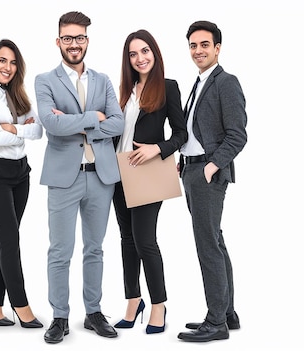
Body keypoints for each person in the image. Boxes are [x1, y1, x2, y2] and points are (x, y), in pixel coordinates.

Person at [34, 10, 125, 344]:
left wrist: (78, 120)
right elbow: (51, 125)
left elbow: (118, 123)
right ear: (59, 41)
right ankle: (60, 317)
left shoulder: (102, 80)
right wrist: (94, 117)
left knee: (95, 249)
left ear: (88, 40)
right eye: (68, 38)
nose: (75, 44)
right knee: (60, 251)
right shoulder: (45, 80)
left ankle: (94, 311)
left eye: (80, 38)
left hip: (101, 176)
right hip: (63, 178)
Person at [176, 20, 247, 343]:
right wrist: (183, 162)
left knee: (207, 245)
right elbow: (193, 131)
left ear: (217, 48)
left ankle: (215, 320)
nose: (198, 50)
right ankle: (227, 313)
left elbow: (237, 135)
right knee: (215, 240)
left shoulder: (225, 82)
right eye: (193, 45)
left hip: (208, 172)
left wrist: (211, 165)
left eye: (204, 44)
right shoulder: (199, 82)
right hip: (191, 170)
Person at [111, 29, 187, 335]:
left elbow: (181, 134)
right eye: (133, 54)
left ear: (154, 53)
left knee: (145, 240)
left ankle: (158, 305)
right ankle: (133, 301)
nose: (140, 58)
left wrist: (158, 148)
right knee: (127, 240)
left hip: (147, 172)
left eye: (145, 51)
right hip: (117, 173)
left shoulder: (168, 88)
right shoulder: (123, 91)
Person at [0, 39, 43, 329]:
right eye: (2, 60)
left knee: (3, 238)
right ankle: (20, 304)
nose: (8, 67)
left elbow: (38, 131)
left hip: (21, 173)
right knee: (10, 238)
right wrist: (22, 131)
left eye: (13, 62)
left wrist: (13, 128)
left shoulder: (19, 94)